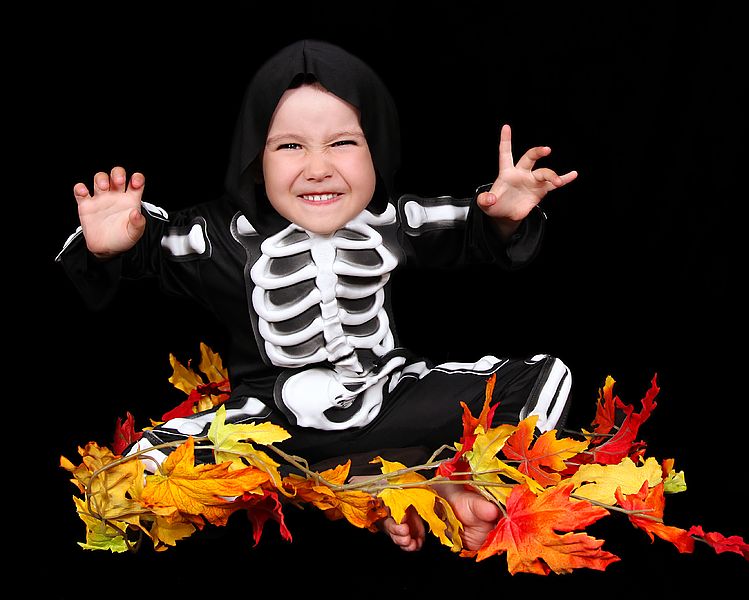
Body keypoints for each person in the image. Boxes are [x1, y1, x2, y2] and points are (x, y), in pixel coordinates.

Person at [57, 39, 577, 553]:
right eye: (289, 146)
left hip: (388, 398)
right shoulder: (222, 235)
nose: (318, 167)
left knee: (545, 377)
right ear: (255, 156)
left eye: (343, 143)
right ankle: (399, 481)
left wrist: (503, 215)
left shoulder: (392, 221)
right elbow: (149, 245)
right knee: (131, 471)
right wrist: (110, 246)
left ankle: (451, 480)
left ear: (379, 149)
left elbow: (473, 226)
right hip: (270, 423)